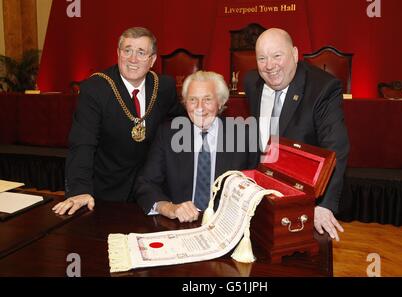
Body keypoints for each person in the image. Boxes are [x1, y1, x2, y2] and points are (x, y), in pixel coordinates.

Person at [53, 27, 182, 215]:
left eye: (141, 52)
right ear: (118, 53)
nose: (133, 59)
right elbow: (82, 142)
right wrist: (80, 189)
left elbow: (178, 123)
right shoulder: (96, 88)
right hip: (106, 193)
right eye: (127, 50)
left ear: (152, 60)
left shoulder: (164, 86)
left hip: (152, 192)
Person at [244, 28, 350, 241]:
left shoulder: (323, 88)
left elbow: (336, 148)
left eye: (277, 56)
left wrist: (323, 204)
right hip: (262, 196)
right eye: (262, 58)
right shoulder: (251, 82)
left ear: (294, 54)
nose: (269, 66)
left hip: (303, 197)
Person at [134, 70, 258, 222]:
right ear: (185, 103)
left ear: (220, 102)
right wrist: (169, 207)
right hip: (180, 226)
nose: (200, 107)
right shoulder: (167, 134)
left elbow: (256, 189)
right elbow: (145, 184)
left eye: (207, 99)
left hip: (227, 226)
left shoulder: (243, 136)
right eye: (193, 100)